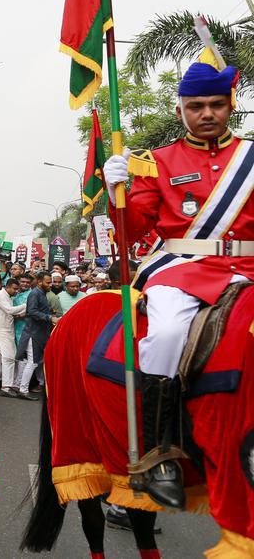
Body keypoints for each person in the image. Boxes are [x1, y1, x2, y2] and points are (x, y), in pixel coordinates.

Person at [103, 59, 254, 509]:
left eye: (215, 105)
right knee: (165, 334)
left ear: (230, 106)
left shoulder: (249, 158)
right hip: (182, 269)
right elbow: (133, 229)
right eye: (195, 106)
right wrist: (118, 194)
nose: (206, 113)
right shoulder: (157, 163)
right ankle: (158, 453)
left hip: (248, 266)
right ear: (180, 111)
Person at [16, 271, 54, 400]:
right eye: (48, 282)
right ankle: (23, 390)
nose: (50, 285)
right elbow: (31, 312)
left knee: (32, 362)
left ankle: (21, 387)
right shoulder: (35, 294)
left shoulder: (41, 293)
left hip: (38, 333)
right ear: (39, 282)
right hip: (33, 334)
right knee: (32, 363)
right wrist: (49, 317)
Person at [0, 277, 27, 397]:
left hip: (5, 331)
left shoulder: (7, 296)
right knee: (9, 359)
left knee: (0, 360)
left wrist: (22, 313)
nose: (16, 291)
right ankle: (6, 387)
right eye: (14, 289)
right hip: (1, 332)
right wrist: (26, 305)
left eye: (17, 289)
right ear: (7, 287)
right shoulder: (0, 295)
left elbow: (10, 314)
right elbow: (9, 311)